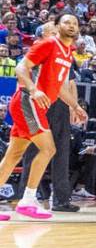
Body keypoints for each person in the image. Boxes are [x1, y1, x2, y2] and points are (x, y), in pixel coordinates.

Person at [0, 14, 87, 221]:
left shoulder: (67, 53)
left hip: (32, 103)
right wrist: (33, 89)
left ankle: (28, 199)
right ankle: (28, 200)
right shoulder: (48, 44)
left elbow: (57, 88)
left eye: (75, 23)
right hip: (28, 100)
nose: (71, 26)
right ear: (57, 27)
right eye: (66, 22)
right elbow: (21, 67)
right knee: (48, 149)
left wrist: (75, 106)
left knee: (14, 154)